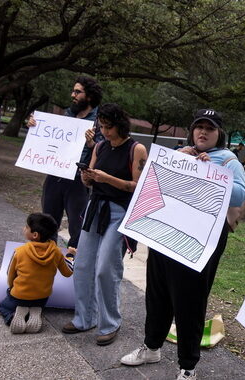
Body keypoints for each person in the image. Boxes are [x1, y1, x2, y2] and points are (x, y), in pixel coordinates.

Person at [120, 108, 245, 380]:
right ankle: (152, 347)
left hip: (199, 242)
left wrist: (209, 171)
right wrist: (177, 161)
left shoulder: (228, 161)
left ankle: (188, 366)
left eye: (209, 128)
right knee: (158, 294)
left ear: (219, 133)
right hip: (165, 234)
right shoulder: (180, 153)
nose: (202, 132)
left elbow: (239, 196)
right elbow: (153, 183)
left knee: (189, 301)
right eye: (198, 127)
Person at [61, 103, 147, 346]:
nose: (105, 132)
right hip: (95, 208)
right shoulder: (99, 146)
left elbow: (137, 187)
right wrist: (87, 177)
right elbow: (90, 183)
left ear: (120, 124)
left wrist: (107, 179)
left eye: (109, 127)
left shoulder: (136, 149)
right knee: (84, 264)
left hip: (119, 211)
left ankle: (110, 323)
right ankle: (84, 318)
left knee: (106, 268)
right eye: (102, 127)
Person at [28, 76, 104, 254]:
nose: (73, 95)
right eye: (73, 91)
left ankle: (73, 267)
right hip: (56, 174)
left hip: (78, 180)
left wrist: (92, 143)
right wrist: (34, 126)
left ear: (90, 96)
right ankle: (47, 262)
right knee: (47, 221)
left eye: (77, 92)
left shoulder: (99, 120)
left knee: (77, 226)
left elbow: (104, 152)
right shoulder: (68, 114)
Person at [0, 213, 74, 334]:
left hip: (20, 295)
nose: (24, 228)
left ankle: (12, 317)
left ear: (35, 235)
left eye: (26, 227)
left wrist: (12, 288)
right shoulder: (57, 253)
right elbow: (68, 272)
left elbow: (10, 274)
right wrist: (70, 256)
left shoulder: (20, 251)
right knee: (36, 300)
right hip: (42, 297)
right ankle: (34, 311)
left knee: (2, 306)